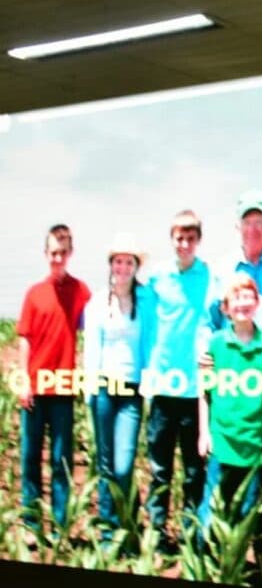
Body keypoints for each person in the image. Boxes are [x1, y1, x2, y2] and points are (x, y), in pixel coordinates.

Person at [206, 190, 262, 502]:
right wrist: (206, 357)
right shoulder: (223, 269)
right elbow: (209, 320)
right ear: (238, 227)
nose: (254, 229)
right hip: (234, 373)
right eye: (248, 222)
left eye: (260, 221)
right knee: (227, 466)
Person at [145, 210, 215, 553]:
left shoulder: (210, 277)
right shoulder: (157, 278)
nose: (184, 244)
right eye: (179, 238)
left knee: (193, 470)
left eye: (190, 238)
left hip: (194, 390)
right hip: (162, 386)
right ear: (171, 240)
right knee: (160, 469)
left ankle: (190, 536)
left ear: (198, 241)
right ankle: (157, 534)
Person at [15, 224, 91, 537]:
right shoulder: (34, 294)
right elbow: (25, 339)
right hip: (35, 388)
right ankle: (32, 525)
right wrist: (24, 380)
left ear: (70, 253)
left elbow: (93, 330)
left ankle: (60, 528)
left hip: (63, 389)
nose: (58, 259)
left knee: (61, 461)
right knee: (30, 457)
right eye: (53, 253)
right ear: (46, 254)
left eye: (63, 253)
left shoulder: (81, 291)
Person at [83, 232, 154, 544]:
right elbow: (91, 349)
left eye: (129, 262)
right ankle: (109, 531)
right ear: (111, 264)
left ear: (136, 267)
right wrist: (89, 390)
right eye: (118, 261)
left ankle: (126, 519)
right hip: (103, 390)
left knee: (124, 465)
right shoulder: (98, 302)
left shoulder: (146, 300)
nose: (123, 267)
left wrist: (149, 383)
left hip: (131, 393)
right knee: (106, 464)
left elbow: (151, 342)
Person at [197, 275, 262, 540]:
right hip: (221, 440)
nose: (242, 303)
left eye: (248, 297)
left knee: (246, 512)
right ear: (225, 308)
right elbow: (204, 393)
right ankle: (204, 557)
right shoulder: (216, 344)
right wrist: (204, 433)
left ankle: (237, 560)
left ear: (257, 303)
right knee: (212, 510)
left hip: (252, 443)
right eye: (236, 298)